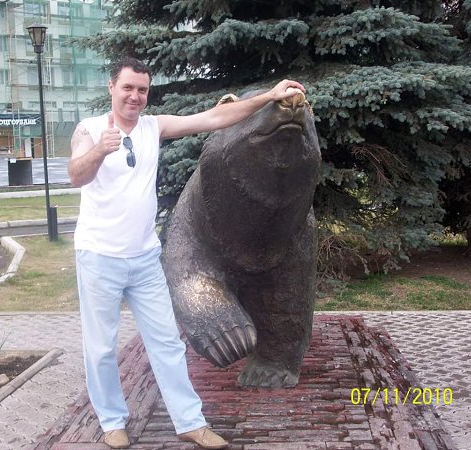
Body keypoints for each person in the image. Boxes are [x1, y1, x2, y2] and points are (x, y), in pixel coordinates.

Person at [69, 57, 306, 449]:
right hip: (99, 257)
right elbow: (76, 174)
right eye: (128, 87)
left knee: (167, 343)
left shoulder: (153, 127)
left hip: (144, 259)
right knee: (100, 348)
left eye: (142, 89)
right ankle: (112, 422)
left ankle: (189, 421)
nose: (135, 96)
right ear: (112, 87)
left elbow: (215, 118)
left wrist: (270, 96)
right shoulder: (89, 129)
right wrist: (100, 150)